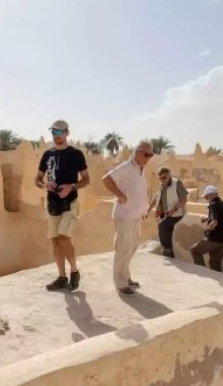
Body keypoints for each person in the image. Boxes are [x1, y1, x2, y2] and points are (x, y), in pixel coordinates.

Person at [35, 119, 90, 291]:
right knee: (55, 241)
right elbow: (37, 178)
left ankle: (74, 271)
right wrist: (44, 185)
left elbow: (86, 179)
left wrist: (71, 186)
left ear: (67, 133)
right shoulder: (47, 154)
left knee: (65, 238)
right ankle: (61, 276)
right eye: (54, 132)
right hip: (52, 203)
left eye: (59, 132)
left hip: (69, 202)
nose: (56, 136)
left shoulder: (76, 154)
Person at [102, 141, 154, 295]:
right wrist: (120, 195)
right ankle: (120, 282)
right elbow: (106, 179)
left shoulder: (141, 169)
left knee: (132, 247)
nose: (148, 157)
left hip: (136, 216)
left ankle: (125, 276)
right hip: (124, 216)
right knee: (123, 248)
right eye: (146, 154)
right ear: (137, 152)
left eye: (151, 155)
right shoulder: (126, 167)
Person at [147, 166, 188, 258]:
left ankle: (167, 250)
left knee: (162, 225)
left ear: (169, 175)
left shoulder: (177, 183)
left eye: (164, 177)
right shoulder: (161, 185)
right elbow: (156, 197)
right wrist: (149, 208)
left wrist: (174, 209)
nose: (162, 180)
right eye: (160, 178)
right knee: (160, 224)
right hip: (166, 213)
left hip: (177, 213)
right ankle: (167, 248)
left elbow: (184, 199)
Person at [190, 185, 223, 272]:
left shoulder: (213, 205)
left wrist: (208, 230)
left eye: (205, 197)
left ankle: (202, 272)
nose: (206, 199)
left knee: (194, 250)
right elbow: (221, 218)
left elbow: (214, 222)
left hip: (214, 239)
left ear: (209, 195)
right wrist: (207, 218)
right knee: (215, 263)